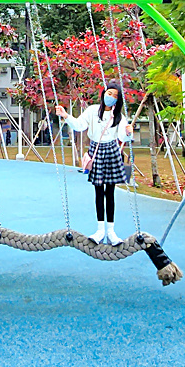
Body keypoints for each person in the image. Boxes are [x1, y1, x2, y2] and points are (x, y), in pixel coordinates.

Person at [56, 82, 133, 245]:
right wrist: (65, 115)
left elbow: (122, 136)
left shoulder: (118, 116)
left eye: (115, 95)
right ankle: (100, 230)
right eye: (109, 93)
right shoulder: (92, 111)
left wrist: (128, 133)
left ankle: (111, 231)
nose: (110, 97)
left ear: (118, 99)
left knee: (110, 192)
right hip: (96, 150)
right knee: (98, 191)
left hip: (112, 150)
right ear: (103, 93)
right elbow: (79, 126)